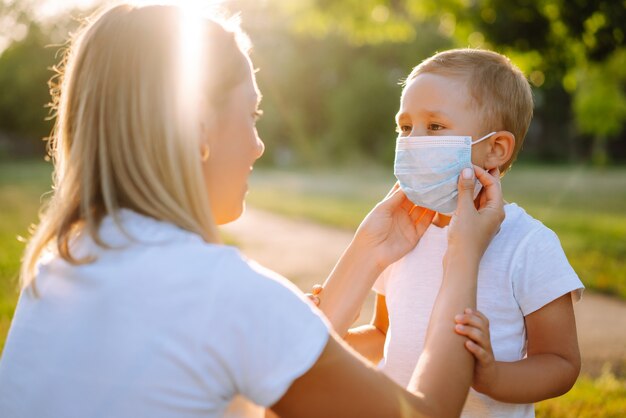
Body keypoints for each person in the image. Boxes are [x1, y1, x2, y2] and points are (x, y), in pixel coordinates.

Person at [0, 4, 504, 418]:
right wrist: (462, 256)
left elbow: (273, 392)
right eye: (252, 114)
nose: (259, 145)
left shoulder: (60, 268)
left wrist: (369, 252)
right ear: (199, 128)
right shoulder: (221, 292)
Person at [312, 49, 584, 417]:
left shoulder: (529, 245)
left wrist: (493, 375)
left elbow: (560, 363)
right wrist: (331, 336)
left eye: (435, 127)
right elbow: (384, 334)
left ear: (495, 149)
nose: (413, 141)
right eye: (405, 128)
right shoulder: (404, 233)